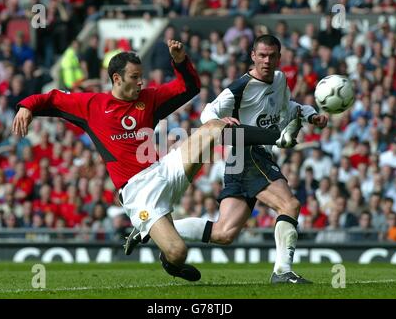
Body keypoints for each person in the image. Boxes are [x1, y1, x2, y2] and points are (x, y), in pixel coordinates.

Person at [12, 39, 301, 282]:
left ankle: (276, 136)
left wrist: (181, 61)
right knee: (178, 253)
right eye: (135, 78)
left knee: (214, 128)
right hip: (139, 193)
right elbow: (50, 98)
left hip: (164, 168)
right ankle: (166, 254)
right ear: (116, 79)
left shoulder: (148, 99)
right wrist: (27, 107)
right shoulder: (92, 105)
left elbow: (190, 88)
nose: (141, 82)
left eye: (142, 76)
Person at [124, 35, 328, 284]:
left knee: (224, 233)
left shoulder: (280, 79)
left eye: (271, 56)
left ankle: (155, 229)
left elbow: (288, 106)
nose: (266, 60)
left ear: (278, 57)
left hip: (241, 161)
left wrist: (310, 115)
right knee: (290, 205)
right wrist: (220, 121)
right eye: (261, 55)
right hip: (248, 152)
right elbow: (208, 111)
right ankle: (283, 272)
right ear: (253, 56)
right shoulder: (240, 87)